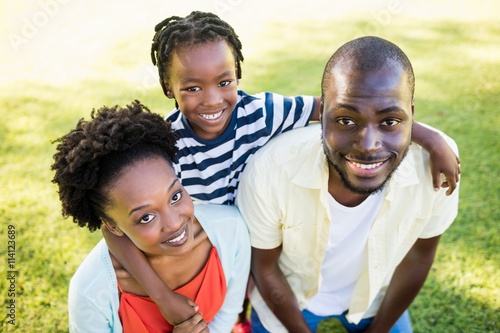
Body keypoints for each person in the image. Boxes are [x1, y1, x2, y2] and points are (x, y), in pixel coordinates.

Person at [103, 11, 461, 332]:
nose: (212, 100)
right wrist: (161, 295)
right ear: (168, 88)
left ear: (238, 75)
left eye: (224, 82)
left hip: (256, 236)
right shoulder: (166, 146)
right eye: (193, 88)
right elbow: (114, 224)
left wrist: (429, 137)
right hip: (214, 250)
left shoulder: (264, 112)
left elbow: (344, 111)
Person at [235, 36, 460, 333]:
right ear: (322, 114)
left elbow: (420, 257)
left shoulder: (437, 167)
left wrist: (378, 330)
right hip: (290, 300)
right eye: (345, 120)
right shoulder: (270, 171)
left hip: (373, 301)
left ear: (411, 117)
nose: (368, 146)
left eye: (389, 122)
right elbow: (265, 268)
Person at [51, 101, 251, 333]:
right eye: (146, 217)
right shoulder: (90, 291)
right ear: (112, 226)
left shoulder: (230, 229)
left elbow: (228, 313)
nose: (175, 223)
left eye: (175, 196)